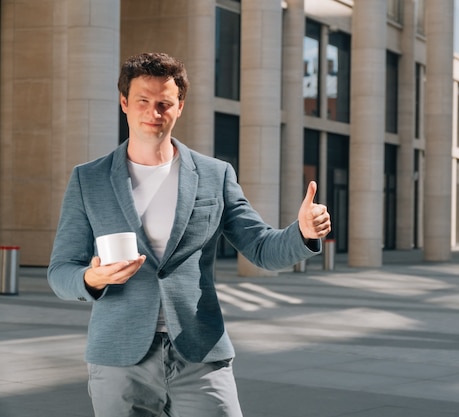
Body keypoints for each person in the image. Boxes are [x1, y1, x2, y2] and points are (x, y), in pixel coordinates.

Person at [47, 52, 331, 417]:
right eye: (143, 102)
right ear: (124, 103)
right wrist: (91, 278)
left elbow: (261, 247)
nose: (154, 113)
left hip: (200, 354)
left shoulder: (216, 175)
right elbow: (60, 271)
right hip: (119, 358)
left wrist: (303, 233)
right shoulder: (89, 179)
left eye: (164, 103)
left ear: (179, 106)